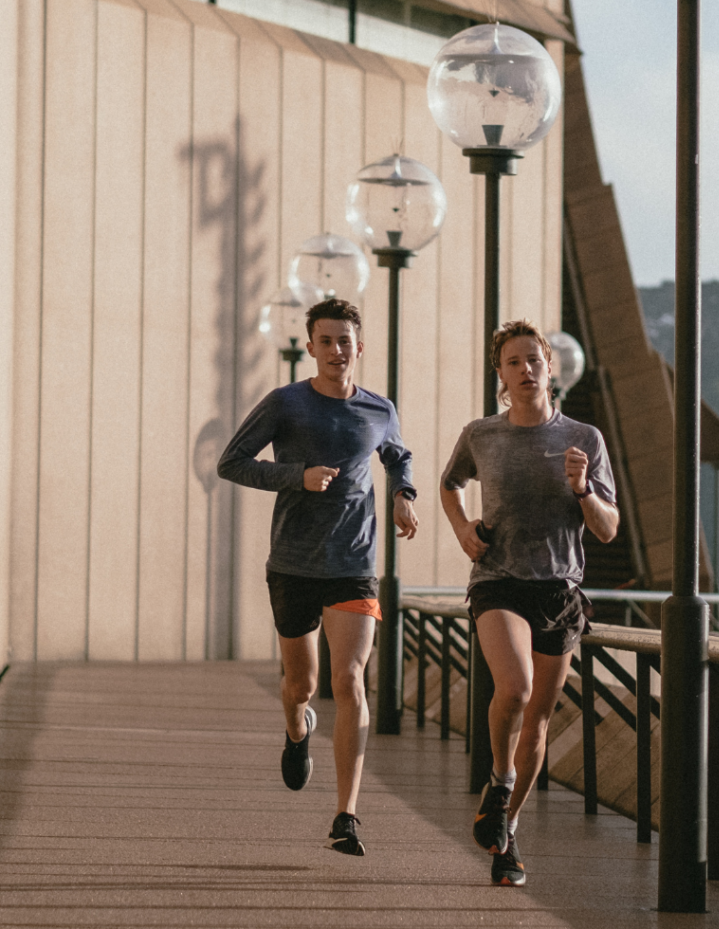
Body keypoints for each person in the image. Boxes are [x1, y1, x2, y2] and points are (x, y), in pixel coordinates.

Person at [218, 297, 418, 857]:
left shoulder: (379, 409)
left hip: (354, 565)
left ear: (360, 346)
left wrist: (404, 494)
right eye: (325, 341)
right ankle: (296, 727)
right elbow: (231, 462)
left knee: (350, 680)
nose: (336, 351)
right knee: (301, 685)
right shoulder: (286, 403)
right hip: (293, 564)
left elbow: (398, 455)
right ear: (310, 346)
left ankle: (347, 816)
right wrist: (296, 477)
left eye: (345, 341)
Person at [439, 319, 619, 887]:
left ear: (550, 367)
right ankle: (498, 779)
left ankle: (506, 833)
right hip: (498, 580)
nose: (525, 371)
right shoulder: (482, 434)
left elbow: (609, 529)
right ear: (500, 374)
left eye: (533, 360)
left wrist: (584, 490)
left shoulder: (584, 440)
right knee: (512, 689)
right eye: (513, 362)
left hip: (559, 590)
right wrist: (463, 529)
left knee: (538, 721)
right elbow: (449, 484)